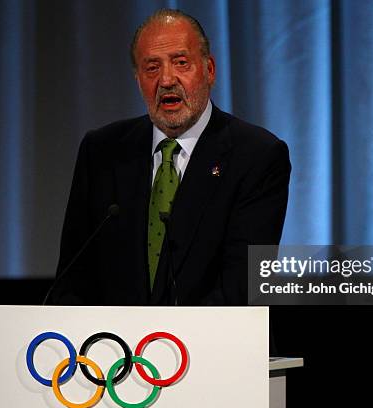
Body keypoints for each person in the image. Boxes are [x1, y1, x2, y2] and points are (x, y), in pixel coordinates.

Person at [48, 9, 291, 305]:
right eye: (151, 68)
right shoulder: (101, 151)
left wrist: (164, 343)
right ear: (138, 80)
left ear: (209, 70)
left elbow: (244, 286)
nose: (166, 79)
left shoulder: (257, 154)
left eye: (181, 63)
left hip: (214, 345)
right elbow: (72, 280)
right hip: (115, 348)